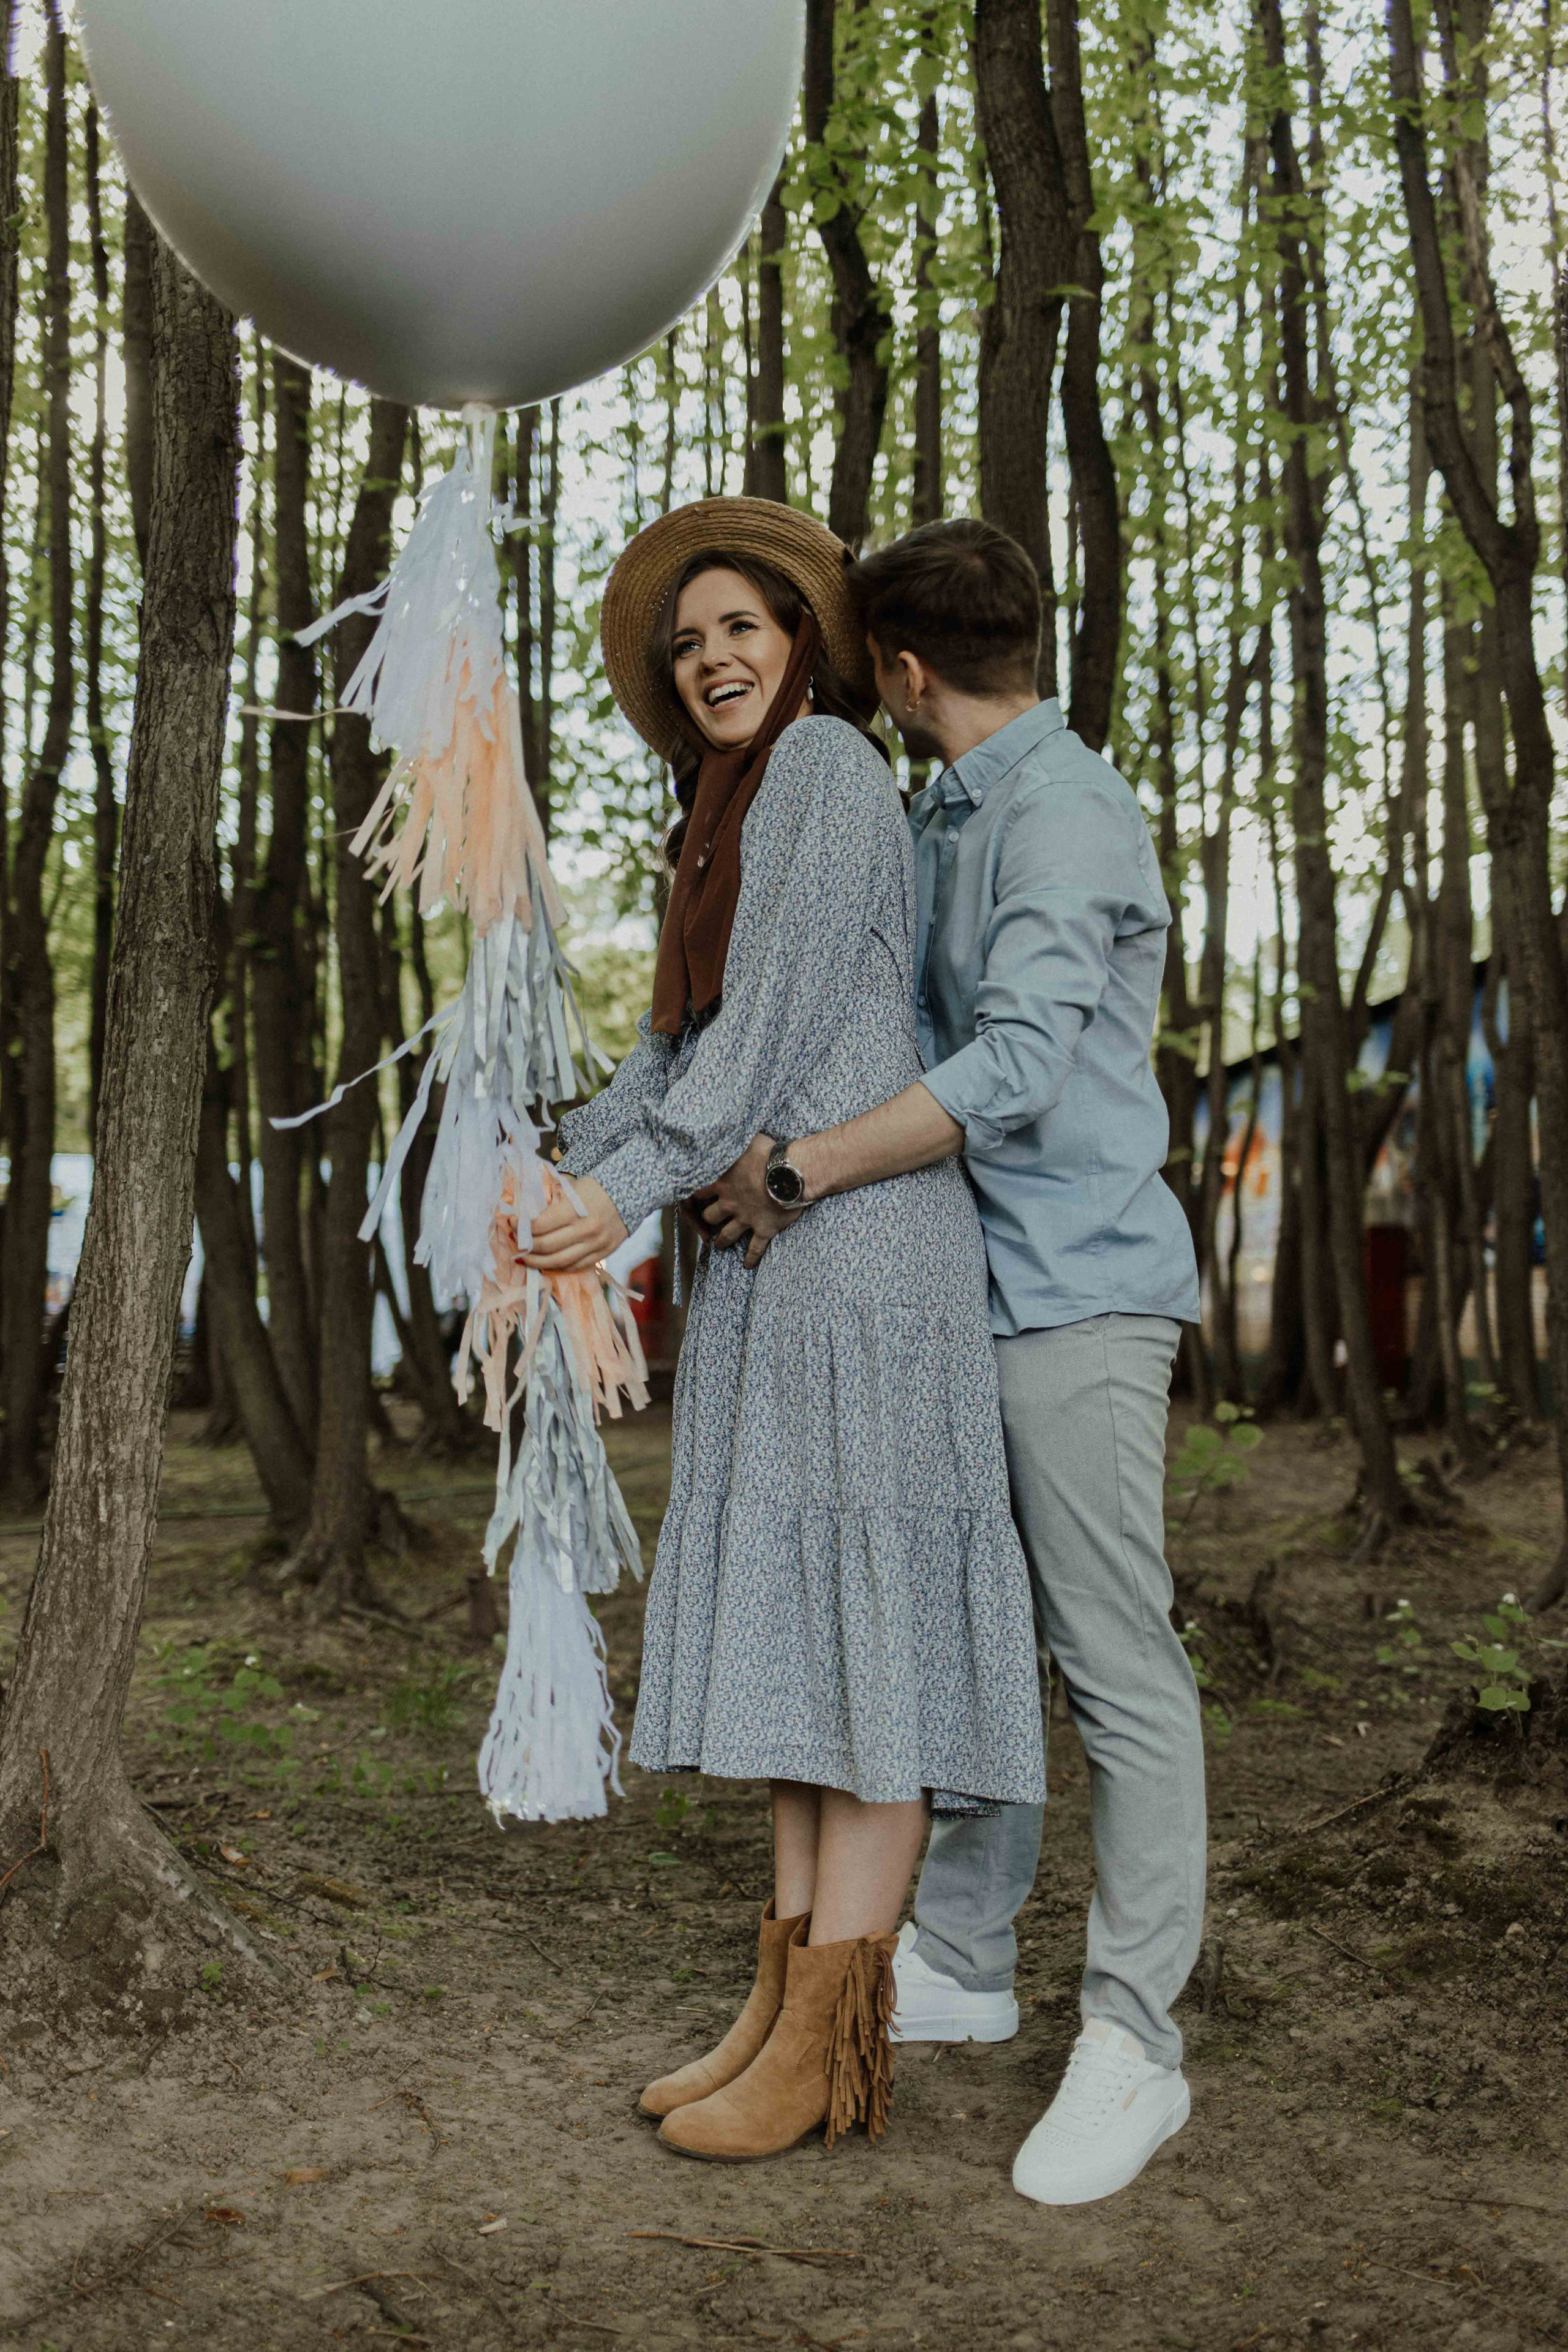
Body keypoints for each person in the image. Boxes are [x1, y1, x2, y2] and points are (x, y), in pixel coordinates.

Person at [522, 497, 1046, 2165]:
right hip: (773, 1267)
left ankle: (833, 2048)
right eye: (687, 646)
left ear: (802, 647)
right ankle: (779, 2013)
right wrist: (561, 1167)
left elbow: (753, 1061)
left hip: (866, 1262)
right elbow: (677, 1059)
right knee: (808, 1648)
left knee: (866, 1645)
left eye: (740, 628)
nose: (713, 660)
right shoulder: (719, 819)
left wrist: (625, 1201)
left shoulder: (823, 777)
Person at [699, 517, 1207, 2209]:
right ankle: (968, 1961)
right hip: (953, 1290)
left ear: (905, 674)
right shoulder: (938, 807)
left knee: (1110, 1660)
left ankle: (1137, 2038)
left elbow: (1019, 1062)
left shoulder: (1064, 813)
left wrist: (803, 1168)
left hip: (1074, 1298)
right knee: (971, 1629)